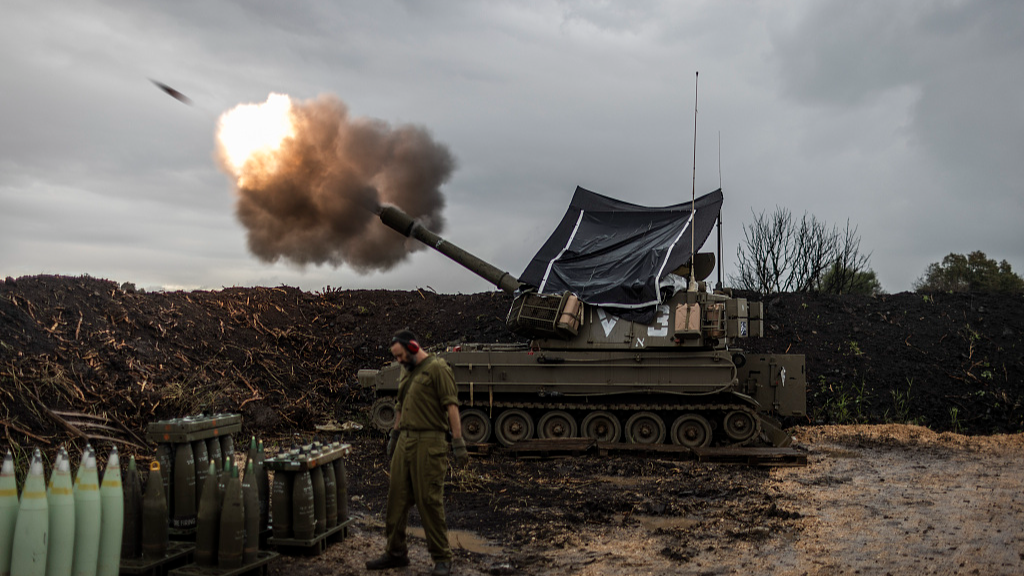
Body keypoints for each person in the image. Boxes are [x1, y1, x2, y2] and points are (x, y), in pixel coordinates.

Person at [366, 329, 469, 576]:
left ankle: (442, 558)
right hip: (406, 440)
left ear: (413, 347)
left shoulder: (438, 369)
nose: (399, 360)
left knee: (428, 501)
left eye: (401, 355)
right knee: (396, 499)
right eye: (397, 357)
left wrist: (458, 442)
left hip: (430, 441)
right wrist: (394, 434)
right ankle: (396, 553)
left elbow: (451, 406)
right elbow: (400, 404)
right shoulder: (406, 370)